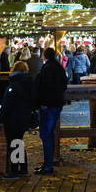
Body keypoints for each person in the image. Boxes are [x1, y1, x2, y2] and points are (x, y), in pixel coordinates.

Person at [0, 61, 34, 179]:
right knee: (18, 142)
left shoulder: (13, 85)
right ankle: (22, 168)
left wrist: (0, 117)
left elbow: (7, 103)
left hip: (13, 118)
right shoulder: (29, 83)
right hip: (24, 118)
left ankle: (13, 171)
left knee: (13, 143)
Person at [35, 46, 68, 174]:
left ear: (45, 56)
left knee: (45, 134)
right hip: (57, 104)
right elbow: (64, 84)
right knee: (50, 133)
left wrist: (43, 103)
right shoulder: (59, 68)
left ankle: (48, 165)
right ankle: (48, 163)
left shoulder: (47, 68)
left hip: (48, 105)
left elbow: (44, 87)